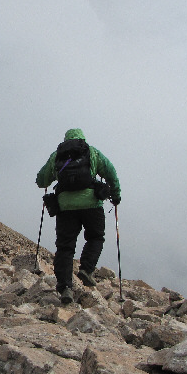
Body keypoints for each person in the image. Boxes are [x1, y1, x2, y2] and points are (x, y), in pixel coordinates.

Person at [36, 128, 121, 304]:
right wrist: (116, 195)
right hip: (92, 204)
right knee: (95, 237)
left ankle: (65, 287)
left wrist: (46, 180)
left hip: (65, 207)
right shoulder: (92, 152)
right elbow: (111, 172)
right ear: (82, 139)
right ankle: (86, 269)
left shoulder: (57, 156)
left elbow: (41, 180)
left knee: (65, 247)